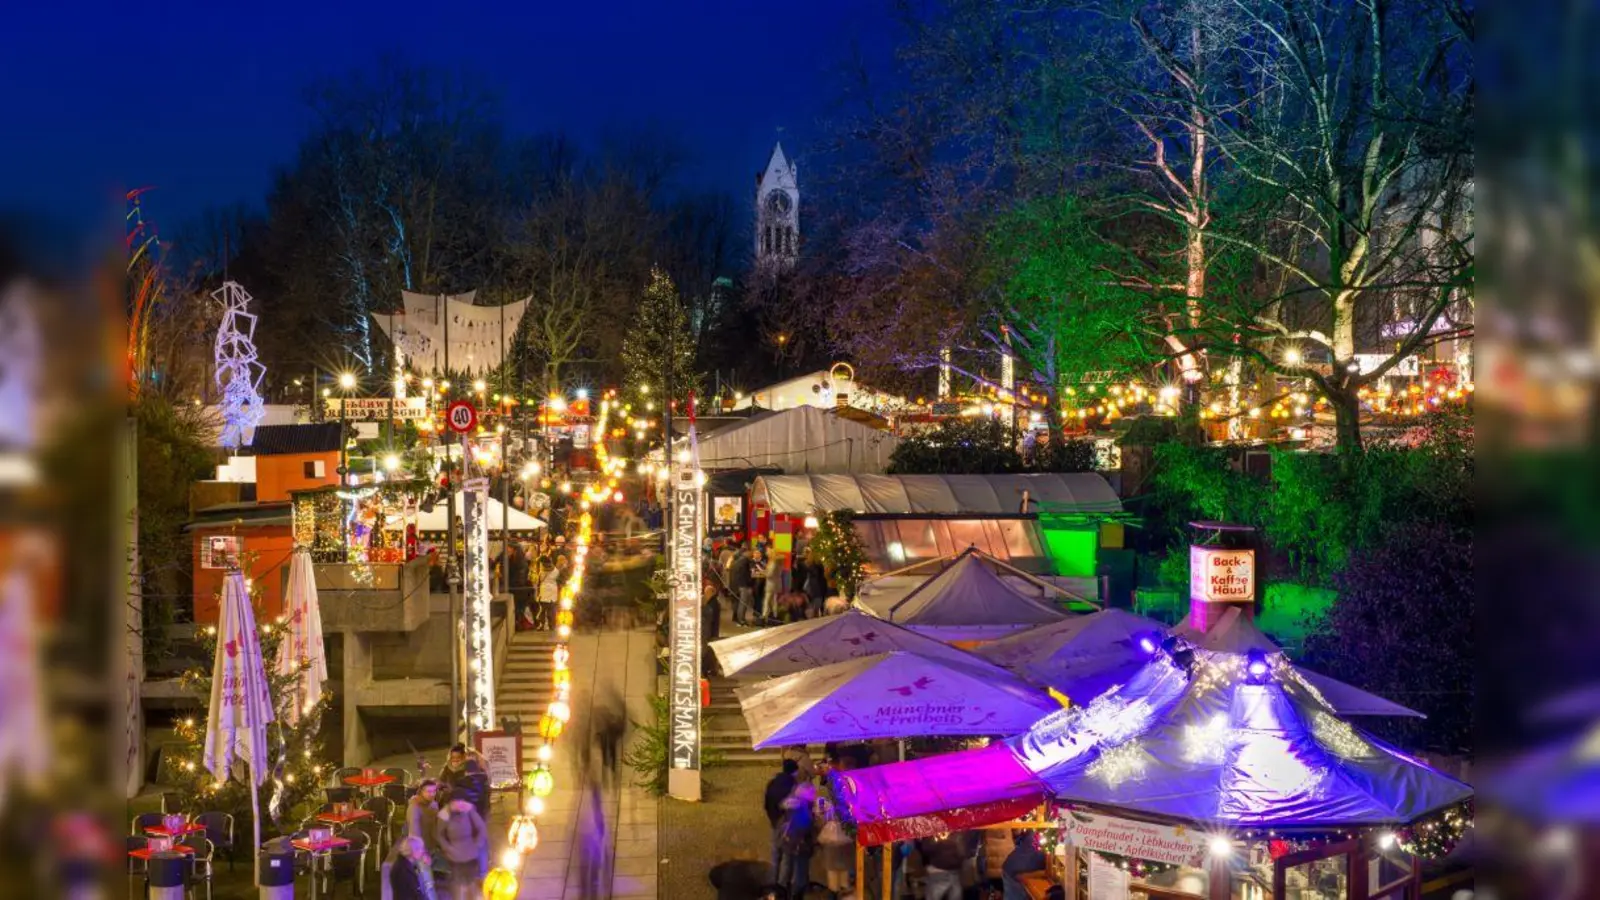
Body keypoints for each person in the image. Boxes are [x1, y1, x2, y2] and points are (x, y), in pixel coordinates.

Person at [434, 798, 487, 900]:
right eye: (457, 802)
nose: (460, 805)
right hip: (455, 857)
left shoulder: (469, 810)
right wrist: (448, 848)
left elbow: (481, 828)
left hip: (471, 854)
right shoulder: (444, 815)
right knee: (458, 885)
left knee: (471, 882)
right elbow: (439, 835)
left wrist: (477, 844)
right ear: (451, 802)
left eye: (462, 802)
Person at [775, 782, 818, 900]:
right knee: (800, 874)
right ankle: (796, 895)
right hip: (800, 845)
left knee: (786, 869)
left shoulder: (791, 804)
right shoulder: (803, 808)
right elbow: (804, 827)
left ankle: (782, 893)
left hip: (788, 843)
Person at [763, 759, 799, 875]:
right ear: (794, 771)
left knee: (776, 852)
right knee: (787, 855)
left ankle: (773, 879)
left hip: (774, 819)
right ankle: (783, 884)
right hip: (788, 822)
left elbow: (766, 803)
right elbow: (795, 805)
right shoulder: (793, 785)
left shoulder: (772, 783)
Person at [917, 833, 969, 900]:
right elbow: (926, 849)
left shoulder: (956, 834)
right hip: (948, 872)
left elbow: (926, 849)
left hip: (944, 872)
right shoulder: (956, 833)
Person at [387, 835, 439, 900]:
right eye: (420, 848)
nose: (422, 851)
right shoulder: (402, 869)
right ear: (412, 850)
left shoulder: (407, 864)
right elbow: (413, 893)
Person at [1001, 832, 1047, 900]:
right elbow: (1019, 876)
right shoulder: (1046, 837)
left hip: (1011, 866)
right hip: (1016, 871)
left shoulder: (1034, 831)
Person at [407, 779, 443, 857]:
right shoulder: (415, 807)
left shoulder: (434, 804)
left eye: (434, 791)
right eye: (429, 791)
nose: (432, 794)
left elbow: (436, 826)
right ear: (421, 792)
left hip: (432, 847)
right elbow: (414, 831)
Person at [509, 543, 534, 631]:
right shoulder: (518, 560)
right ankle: (519, 625)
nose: (509, 551)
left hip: (518, 589)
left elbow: (520, 578)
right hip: (519, 589)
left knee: (519, 608)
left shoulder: (519, 562)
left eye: (510, 549)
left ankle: (519, 625)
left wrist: (514, 584)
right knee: (519, 608)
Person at [730, 545, 756, 626]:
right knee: (743, 603)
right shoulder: (746, 561)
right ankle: (741, 620)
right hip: (744, 584)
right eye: (751, 552)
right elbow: (749, 573)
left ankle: (737, 619)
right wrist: (750, 581)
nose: (752, 554)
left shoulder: (737, 561)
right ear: (747, 552)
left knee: (738, 602)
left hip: (736, 584)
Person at [801, 550, 829, 620]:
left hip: (812, 591)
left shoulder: (808, 567)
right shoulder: (819, 566)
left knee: (814, 611)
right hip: (818, 591)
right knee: (817, 610)